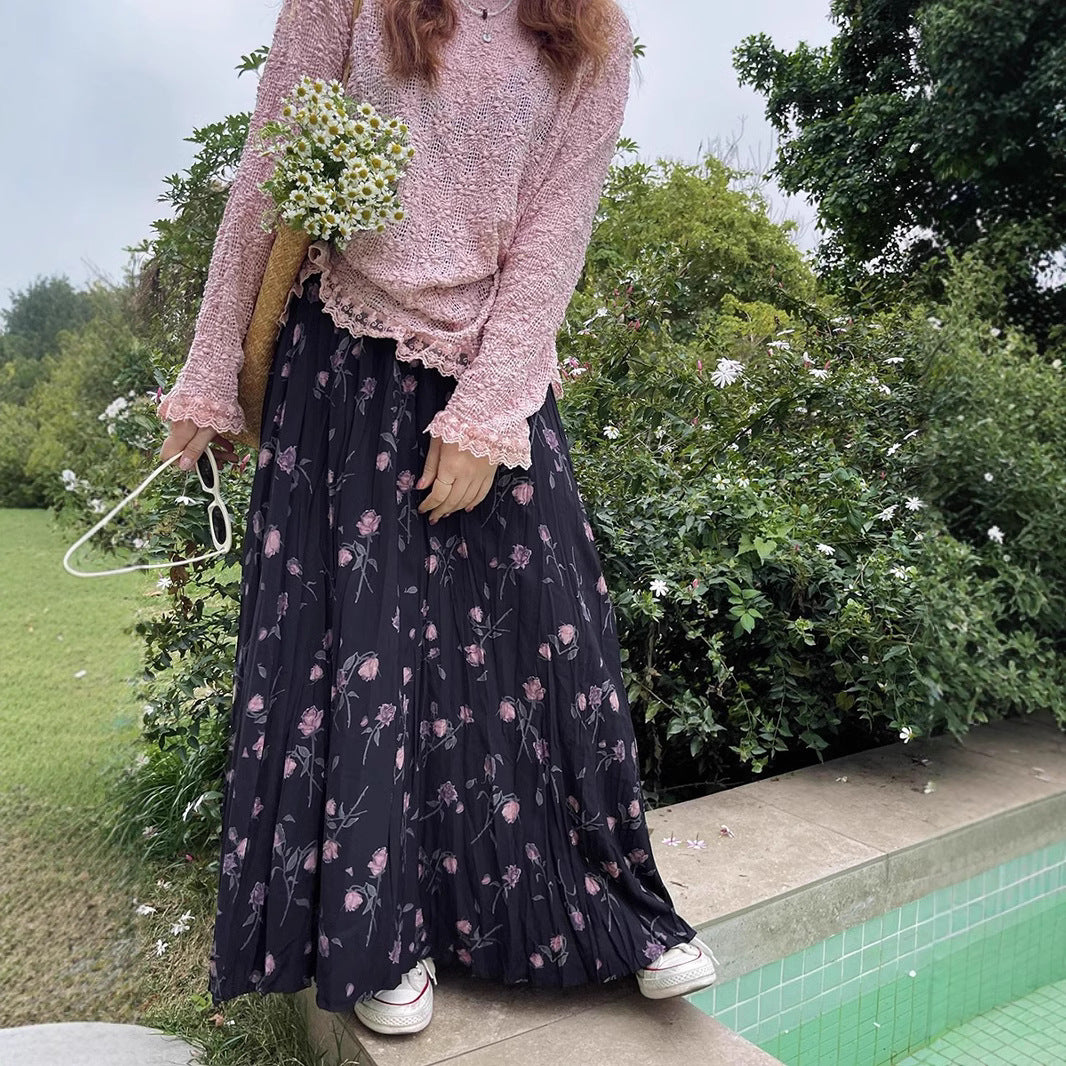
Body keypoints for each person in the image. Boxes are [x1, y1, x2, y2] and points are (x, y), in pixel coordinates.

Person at [157, 0, 718, 1037]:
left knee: (546, 648)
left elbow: (555, 234)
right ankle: (379, 936)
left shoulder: (591, 31)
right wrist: (208, 374)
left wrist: (485, 414)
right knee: (363, 657)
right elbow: (267, 168)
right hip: (338, 372)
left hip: (492, 377)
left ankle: (611, 913)